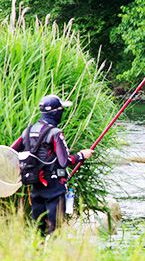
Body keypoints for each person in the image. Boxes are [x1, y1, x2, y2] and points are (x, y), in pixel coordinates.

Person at [11, 95, 94, 236]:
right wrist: (81, 155)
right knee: (56, 229)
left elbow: (11, 152)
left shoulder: (28, 131)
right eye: (61, 109)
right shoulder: (55, 133)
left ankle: (37, 254)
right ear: (56, 112)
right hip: (54, 188)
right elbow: (65, 161)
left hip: (35, 187)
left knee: (38, 229)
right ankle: (55, 255)